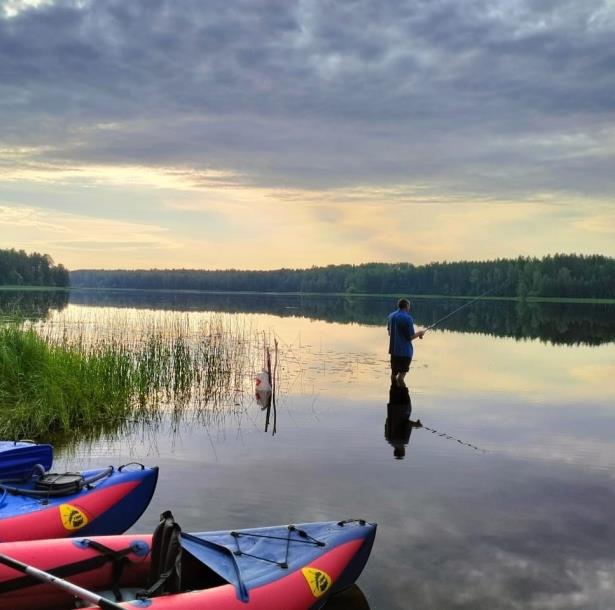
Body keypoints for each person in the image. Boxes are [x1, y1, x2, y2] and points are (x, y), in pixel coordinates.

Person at [387, 298, 424, 386]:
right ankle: (403, 397)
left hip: (394, 352)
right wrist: (420, 333)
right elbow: (409, 337)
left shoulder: (391, 316)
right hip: (405, 353)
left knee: (393, 375)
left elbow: (389, 333)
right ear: (407, 306)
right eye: (409, 306)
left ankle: (393, 396)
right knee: (401, 378)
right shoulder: (407, 318)